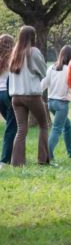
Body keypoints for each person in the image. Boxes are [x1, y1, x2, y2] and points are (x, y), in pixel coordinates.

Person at [8, 26, 49, 166]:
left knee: (21, 129)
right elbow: (44, 72)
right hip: (31, 95)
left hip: (15, 97)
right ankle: (43, 160)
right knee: (44, 125)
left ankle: (17, 162)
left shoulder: (14, 53)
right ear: (33, 36)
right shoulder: (33, 52)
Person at [41, 45, 71, 161]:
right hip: (62, 104)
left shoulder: (51, 68)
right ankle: (47, 155)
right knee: (57, 129)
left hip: (51, 103)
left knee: (67, 126)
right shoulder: (69, 69)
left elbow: (43, 85)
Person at [0, 34, 16, 164]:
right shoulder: (13, 58)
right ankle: (5, 160)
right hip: (8, 93)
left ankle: (14, 155)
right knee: (12, 128)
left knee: (12, 126)